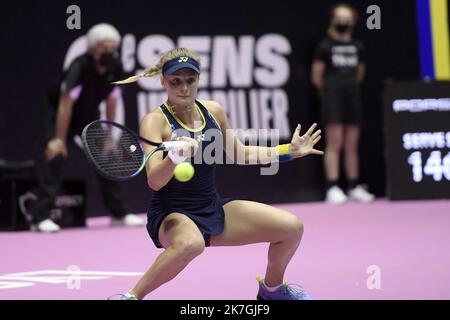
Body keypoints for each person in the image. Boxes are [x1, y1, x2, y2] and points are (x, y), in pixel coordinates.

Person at [109, 48, 323, 300]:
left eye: (191, 80)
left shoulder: (213, 111)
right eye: (175, 81)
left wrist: (288, 151)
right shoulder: (155, 122)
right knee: (192, 243)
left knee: (291, 228)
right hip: (171, 213)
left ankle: (272, 290)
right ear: (163, 82)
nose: (184, 88)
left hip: (211, 207)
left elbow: (240, 154)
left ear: (199, 80)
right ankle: (131, 297)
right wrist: (176, 157)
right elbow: (155, 181)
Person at [31, 23, 144, 233]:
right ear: (93, 49)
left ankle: (119, 213)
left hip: (88, 116)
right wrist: (59, 140)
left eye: (113, 49)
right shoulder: (79, 67)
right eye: (104, 49)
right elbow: (65, 104)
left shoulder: (115, 67)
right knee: (56, 158)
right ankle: (41, 217)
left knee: (107, 158)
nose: (109, 54)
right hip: (58, 114)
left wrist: (111, 137)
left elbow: (112, 100)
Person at [311, 3, 375, 204]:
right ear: (332, 21)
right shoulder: (325, 46)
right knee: (335, 142)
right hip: (333, 99)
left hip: (353, 99)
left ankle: (354, 185)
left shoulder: (358, 47)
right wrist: (330, 93)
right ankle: (332, 187)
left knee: (352, 144)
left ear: (353, 22)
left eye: (347, 19)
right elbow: (317, 77)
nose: (343, 23)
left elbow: (360, 74)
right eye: (339, 18)